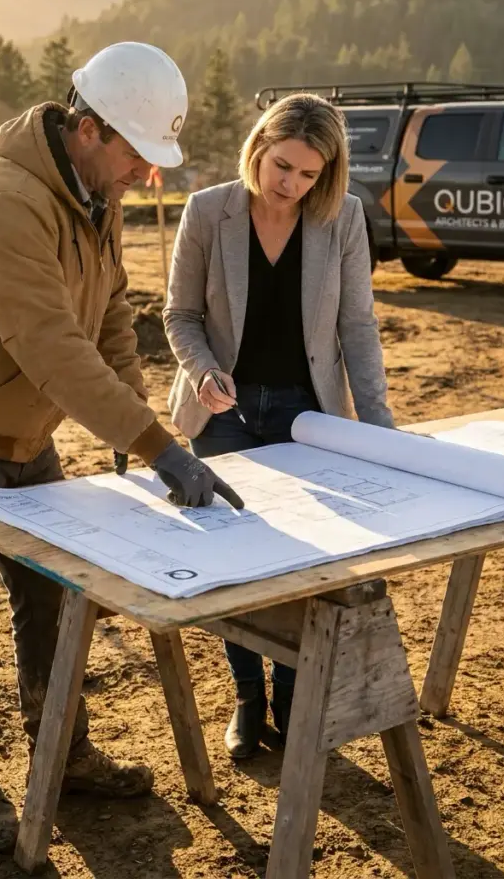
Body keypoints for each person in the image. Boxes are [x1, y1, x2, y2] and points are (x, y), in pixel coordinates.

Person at [0, 42, 242, 851]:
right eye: (136, 155)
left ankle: (67, 754)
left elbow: (111, 311)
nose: (143, 176)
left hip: (26, 435)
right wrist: (159, 446)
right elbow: (48, 346)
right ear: (88, 127)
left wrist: (133, 409)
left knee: (50, 600)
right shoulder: (2, 202)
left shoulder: (91, 192)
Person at [163, 91, 394, 758]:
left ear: (326, 174)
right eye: (281, 165)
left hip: (306, 413)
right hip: (221, 411)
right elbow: (179, 316)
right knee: (235, 559)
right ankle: (246, 697)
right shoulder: (208, 209)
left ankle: (292, 697)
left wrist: (377, 429)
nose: (289, 184)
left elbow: (356, 326)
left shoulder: (343, 218)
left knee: (303, 557)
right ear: (258, 146)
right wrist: (204, 373)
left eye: (306, 174)